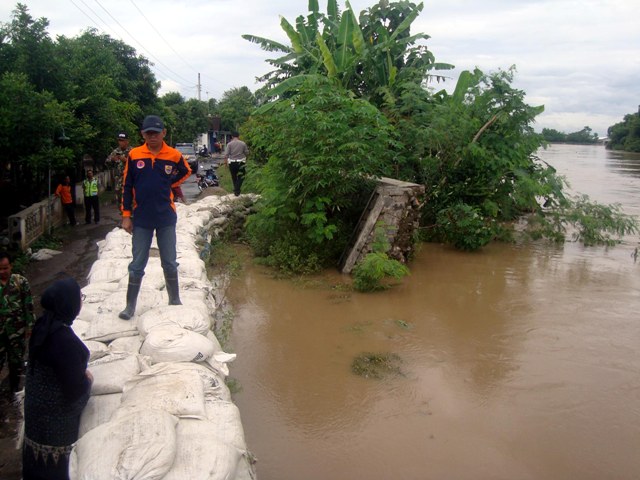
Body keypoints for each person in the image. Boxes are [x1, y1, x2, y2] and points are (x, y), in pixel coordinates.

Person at [119, 115, 191, 320]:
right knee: (137, 263)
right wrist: (126, 216)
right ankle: (130, 306)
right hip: (141, 218)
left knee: (169, 261)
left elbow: (186, 171)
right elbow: (127, 186)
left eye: (155, 133)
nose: (152, 137)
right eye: (148, 133)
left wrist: (170, 182)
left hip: (165, 216)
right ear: (143, 134)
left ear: (163, 133)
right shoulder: (134, 155)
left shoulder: (174, 155)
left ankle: (174, 299)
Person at [22, 277, 92, 480]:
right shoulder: (64, 342)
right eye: (80, 298)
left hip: (36, 420)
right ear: (68, 303)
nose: (81, 302)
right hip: (55, 429)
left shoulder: (43, 326)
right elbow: (73, 392)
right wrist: (88, 381)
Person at [0, 251, 35, 394]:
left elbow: (28, 305)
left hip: (17, 331)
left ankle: (13, 391)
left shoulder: (20, 282)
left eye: (5, 268)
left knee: (16, 363)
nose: (2, 271)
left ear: (11, 266)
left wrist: (29, 326)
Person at [105, 131, 131, 211]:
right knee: (120, 202)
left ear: (127, 141)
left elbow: (138, 165)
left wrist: (126, 160)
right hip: (118, 182)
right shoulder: (115, 152)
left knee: (130, 200)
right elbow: (107, 163)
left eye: (123, 140)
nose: (121, 142)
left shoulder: (132, 151)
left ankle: (131, 218)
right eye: (119, 140)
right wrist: (112, 159)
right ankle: (123, 218)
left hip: (130, 180)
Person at [224, 131, 249, 196]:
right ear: (238, 136)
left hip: (232, 162)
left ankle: (236, 191)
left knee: (234, 176)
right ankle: (237, 189)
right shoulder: (243, 143)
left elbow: (226, 155)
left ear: (232, 136)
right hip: (241, 162)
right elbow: (247, 153)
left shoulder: (229, 144)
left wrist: (225, 163)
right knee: (242, 176)